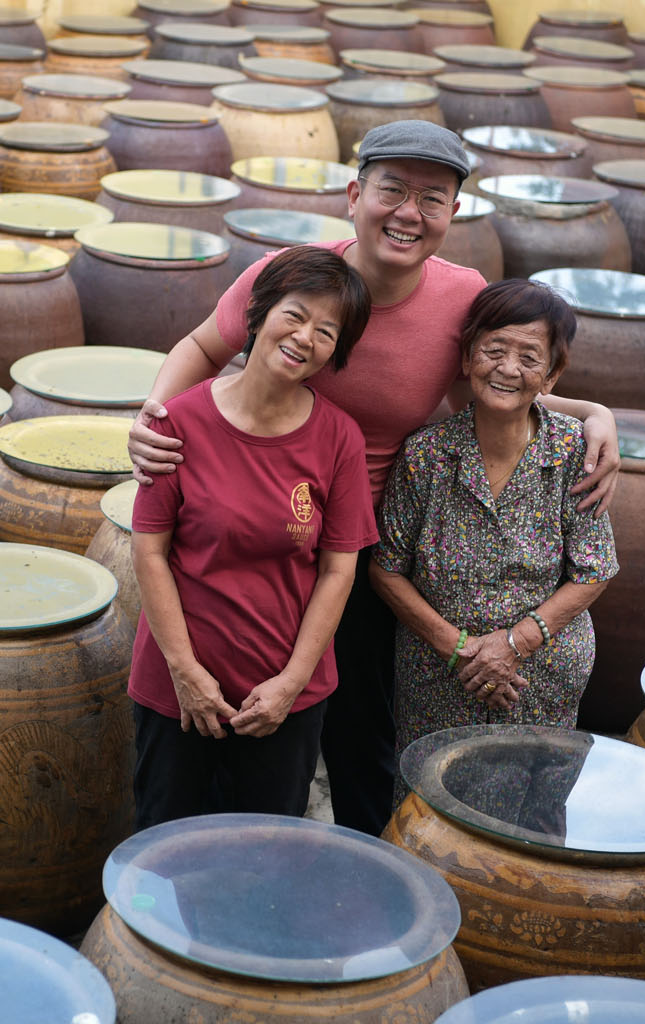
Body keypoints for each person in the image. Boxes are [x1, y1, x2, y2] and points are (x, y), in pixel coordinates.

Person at [127, 120, 622, 836]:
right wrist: (152, 417)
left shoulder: (462, 298)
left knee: (358, 732)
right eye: (392, 190)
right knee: (200, 703)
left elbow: (499, 380)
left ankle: (361, 870)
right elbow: (204, 346)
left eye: (432, 199)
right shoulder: (293, 280)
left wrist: (592, 411)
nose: (408, 213)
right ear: (355, 194)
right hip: (247, 520)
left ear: (453, 216)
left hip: (369, 546)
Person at [129, 245, 376, 829]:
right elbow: (149, 551)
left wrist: (291, 685)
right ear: (259, 313)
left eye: (327, 330)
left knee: (265, 862)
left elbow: (339, 570)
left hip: (285, 699)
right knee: (163, 856)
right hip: (179, 689)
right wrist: (186, 671)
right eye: (295, 314)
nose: (305, 336)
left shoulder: (339, 438)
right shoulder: (178, 423)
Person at [371, 279, 618, 788]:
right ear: (466, 358)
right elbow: (385, 568)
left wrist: (514, 644)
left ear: (551, 375)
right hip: (438, 675)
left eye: (529, 357)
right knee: (431, 815)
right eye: (494, 349)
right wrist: (459, 648)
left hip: (540, 679)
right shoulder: (427, 455)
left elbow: (594, 571)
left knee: (530, 832)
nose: (508, 368)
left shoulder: (575, 452)